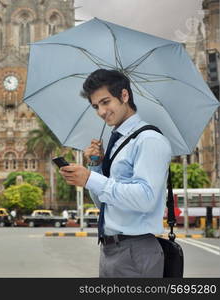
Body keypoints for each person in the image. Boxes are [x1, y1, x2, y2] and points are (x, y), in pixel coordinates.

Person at [59, 69, 172, 278]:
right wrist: (95, 166)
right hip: (110, 250)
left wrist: (91, 178)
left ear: (124, 95)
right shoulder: (118, 141)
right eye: (95, 106)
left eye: (105, 102)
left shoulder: (149, 140)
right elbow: (104, 204)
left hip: (135, 251)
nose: (101, 112)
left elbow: (146, 198)